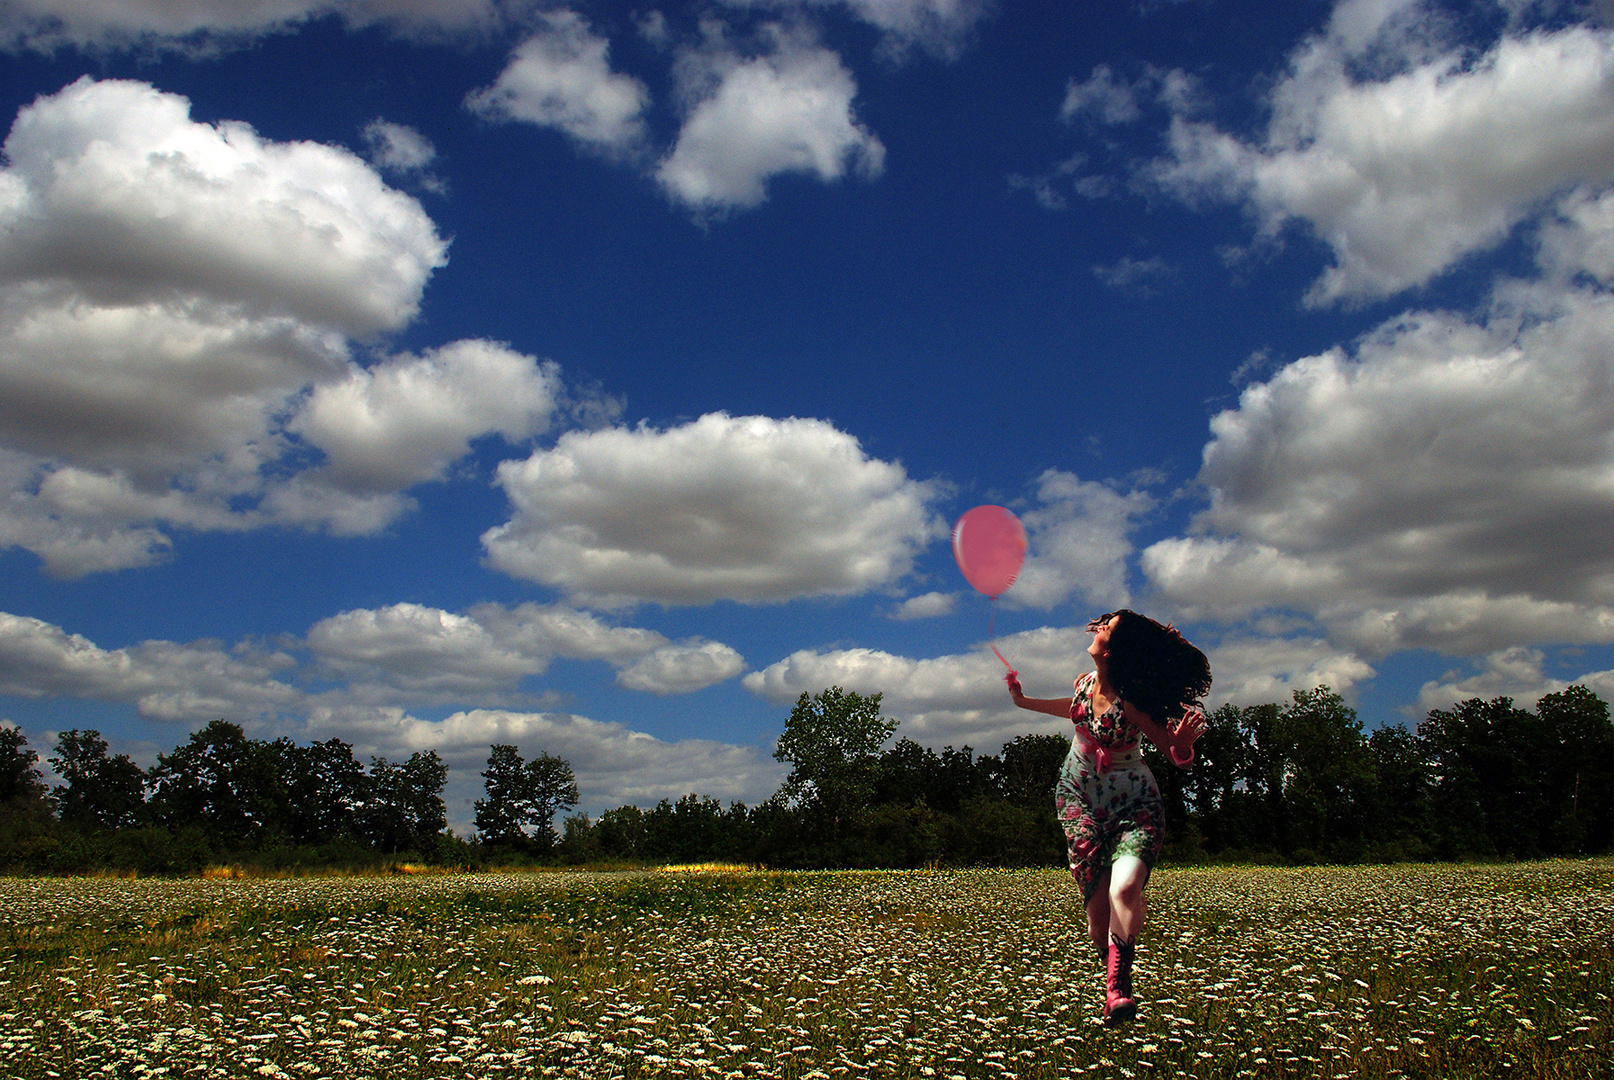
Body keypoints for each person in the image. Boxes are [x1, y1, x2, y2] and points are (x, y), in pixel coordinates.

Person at [1006, 610, 1210, 1026]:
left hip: (1134, 806)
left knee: (1124, 890)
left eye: (1107, 627)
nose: (1097, 629)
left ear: (1115, 647)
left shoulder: (1132, 701)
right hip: (1078, 799)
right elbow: (1075, 709)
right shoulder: (1084, 682)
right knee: (1098, 925)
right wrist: (1022, 701)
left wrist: (1184, 745)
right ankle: (1114, 964)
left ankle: (1118, 989)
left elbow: (1175, 755)